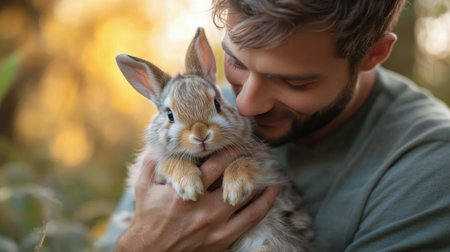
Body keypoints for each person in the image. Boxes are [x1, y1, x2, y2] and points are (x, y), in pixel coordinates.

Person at [97, 0, 450, 251]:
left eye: (294, 83)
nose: (246, 105)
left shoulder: (428, 166)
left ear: (372, 54)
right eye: (235, 63)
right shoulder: (203, 116)